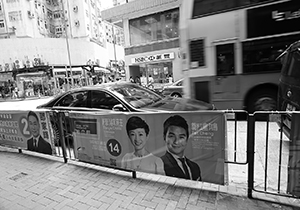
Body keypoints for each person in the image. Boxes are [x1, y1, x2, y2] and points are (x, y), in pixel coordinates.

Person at [161, 115, 202, 181]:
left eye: (181, 137)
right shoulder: (159, 165)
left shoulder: (195, 167)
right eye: (172, 136)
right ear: (164, 137)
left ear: (187, 139)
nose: (176, 142)